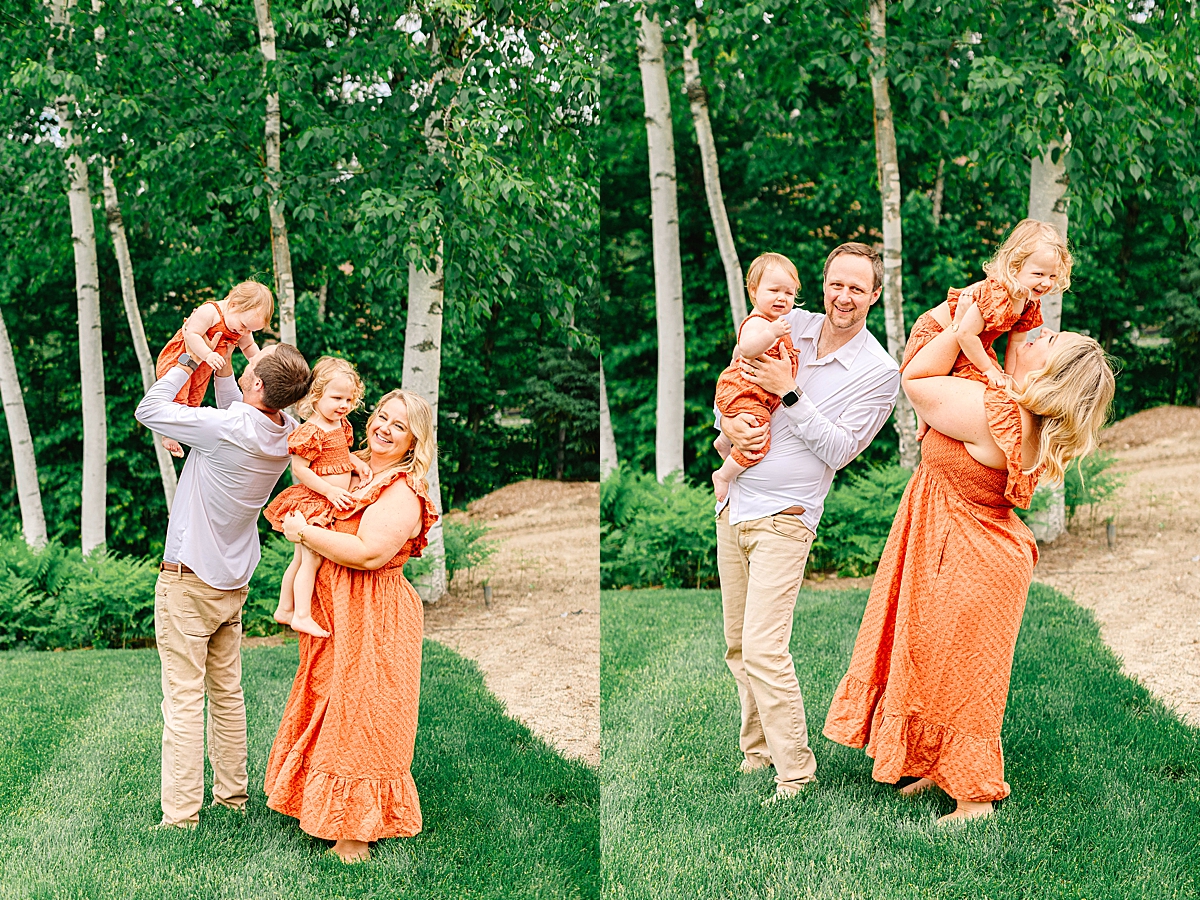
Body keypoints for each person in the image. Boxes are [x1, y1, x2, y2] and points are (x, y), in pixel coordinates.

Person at [822, 303, 1115, 825]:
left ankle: (975, 798)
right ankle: (939, 767)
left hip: (974, 558)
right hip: (972, 549)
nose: (1040, 335)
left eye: (1052, 341)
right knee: (937, 664)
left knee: (966, 682)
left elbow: (913, 379)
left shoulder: (994, 411)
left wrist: (964, 319)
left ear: (1055, 372)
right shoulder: (1019, 412)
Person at [715, 242, 901, 804]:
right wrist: (728, 430)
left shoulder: (878, 371)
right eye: (835, 284)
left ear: (874, 294)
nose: (843, 297)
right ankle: (757, 753)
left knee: (765, 647)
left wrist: (788, 394)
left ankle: (794, 773)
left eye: (856, 288)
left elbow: (841, 450)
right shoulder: (785, 322)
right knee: (738, 645)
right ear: (823, 284)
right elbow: (731, 382)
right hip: (736, 504)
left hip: (786, 518)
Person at [134, 341, 313, 830]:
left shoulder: (227, 427)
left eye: (249, 369)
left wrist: (192, 360)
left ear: (257, 385)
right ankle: (231, 797)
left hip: (189, 579)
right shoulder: (286, 432)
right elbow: (242, 405)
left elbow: (149, 410)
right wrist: (228, 370)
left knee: (185, 696)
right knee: (227, 692)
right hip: (233, 580)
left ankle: (180, 816)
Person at [264, 389, 439, 863]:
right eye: (382, 415)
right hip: (335, 610)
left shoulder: (402, 489)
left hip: (375, 613)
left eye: (398, 425)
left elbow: (368, 553)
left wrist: (303, 532)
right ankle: (321, 809)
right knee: (328, 703)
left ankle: (355, 832)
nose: (383, 426)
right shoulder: (353, 465)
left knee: (364, 715)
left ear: (414, 441)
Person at [907, 219, 1066, 437]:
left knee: (997, 384)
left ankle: (927, 415)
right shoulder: (997, 293)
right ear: (1014, 267)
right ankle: (925, 415)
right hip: (940, 333)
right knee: (972, 381)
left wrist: (1011, 380)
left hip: (972, 341)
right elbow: (964, 333)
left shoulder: (1029, 301)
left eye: (1052, 276)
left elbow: (1017, 344)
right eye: (1038, 274)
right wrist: (990, 370)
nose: (1046, 283)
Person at [263, 357, 374, 638]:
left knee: (301, 559)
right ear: (316, 395)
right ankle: (300, 614)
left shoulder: (339, 425)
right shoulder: (310, 430)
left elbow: (337, 454)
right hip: (314, 501)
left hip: (328, 499)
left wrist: (355, 462)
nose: (344, 405)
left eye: (349, 399)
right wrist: (330, 490)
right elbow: (300, 468)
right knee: (310, 560)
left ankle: (285, 608)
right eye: (337, 398)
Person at [711, 253, 801, 503]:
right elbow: (747, 348)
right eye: (774, 290)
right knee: (757, 442)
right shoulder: (758, 323)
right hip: (745, 391)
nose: (782, 298)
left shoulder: (774, 323)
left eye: (789, 293)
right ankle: (723, 475)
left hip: (753, 394)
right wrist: (772, 333)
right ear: (753, 291)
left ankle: (723, 440)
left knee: (749, 425)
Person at [154, 281, 275, 458]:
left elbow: (249, 346)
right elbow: (191, 333)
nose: (244, 331)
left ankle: (180, 433)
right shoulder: (211, 312)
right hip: (182, 359)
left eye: (250, 329)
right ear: (234, 304)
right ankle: (168, 434)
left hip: (203, 369)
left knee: (193, 400)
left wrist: (259, 363)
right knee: (178, 395)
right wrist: (208, 354)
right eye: (244, 325)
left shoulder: (241, 327)